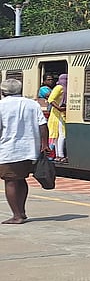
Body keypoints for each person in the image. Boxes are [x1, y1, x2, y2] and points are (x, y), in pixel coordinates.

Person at [0, 79, 50, 224]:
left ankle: (17, 215)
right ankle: (21, 211)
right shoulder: (32, 104)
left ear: (3, 92)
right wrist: (44, 144)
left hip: (8, 150)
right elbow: (43, 124)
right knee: (21, 179)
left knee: (10, 181)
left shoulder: (1, 106)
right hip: (29, 150)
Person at [47, 73, 67, 161]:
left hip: (60, 115)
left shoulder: (64, 88)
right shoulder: (59, 87)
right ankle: (60, 155)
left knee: (58, 135)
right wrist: (59, 108)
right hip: (57, 115)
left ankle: (58, 155)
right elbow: (51, 99)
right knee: (61, 134)